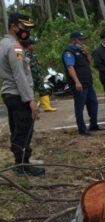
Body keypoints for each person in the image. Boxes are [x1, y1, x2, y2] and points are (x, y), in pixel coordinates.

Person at [0, 13, 45, 176]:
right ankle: (22, 164)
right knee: (24, 130)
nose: (26, 31)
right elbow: (20, 75)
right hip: (18, 95)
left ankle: (19, 162)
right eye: (23, 27)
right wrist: (30, 100)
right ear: (13, 27)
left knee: (17, 129)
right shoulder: (15, 47)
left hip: (9, 93)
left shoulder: (3, 44)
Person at [62, 31, 103, 135]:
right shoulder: (69, 52)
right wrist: (77, 82)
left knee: (93, 103)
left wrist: (87, 52)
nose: (82, 42)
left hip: (88, 82)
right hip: (79, 84)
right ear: (74, 40)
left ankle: (93, 124)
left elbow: (89, 62)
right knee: (80, 106)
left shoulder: (81, 51)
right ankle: (82, 129)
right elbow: (70, 67)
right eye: (80, 39)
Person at [22, 39, 57, 112]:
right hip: (31, 77)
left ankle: (47, 107)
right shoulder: (25, 53)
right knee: (31, 93)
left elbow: (36, 65)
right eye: (33, 45)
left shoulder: (32, 54)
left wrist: (40, 74)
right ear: (29, 45)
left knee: (43, 90)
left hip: (37, 76)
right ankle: (31, 109)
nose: (34, 46)